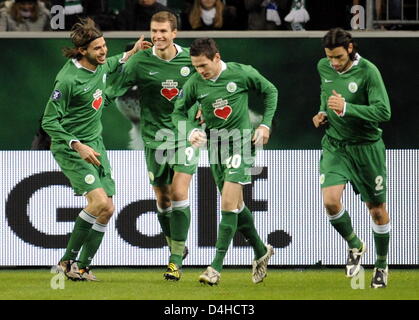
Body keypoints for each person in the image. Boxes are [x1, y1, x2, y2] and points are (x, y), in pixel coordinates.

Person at [42, 17, 151, 281]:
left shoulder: (100, 65)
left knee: (108, 208)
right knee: (99, 202)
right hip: (72, 148)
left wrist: (133, 51)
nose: (103, 51)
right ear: (82, 51)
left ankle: (82, 266)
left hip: (96, 145)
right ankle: (64, 262)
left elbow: (114, 63)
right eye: (97, 48)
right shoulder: (67, 80)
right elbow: (48, 121)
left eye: (104, 46)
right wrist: (77, 145)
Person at [172, 38, 278, 285]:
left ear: (216, 58)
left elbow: (270, 91)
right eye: (196, 66)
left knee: (228, 204)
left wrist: (264, 124)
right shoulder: (195, 83)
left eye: (203, 65)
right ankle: (262, 251)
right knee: (236, 206)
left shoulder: (241, 73)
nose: (200, 71)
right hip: (215, 148)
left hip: (241, 144)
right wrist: (190, 131)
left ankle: (215, 267)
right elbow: (177, 112)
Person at [109, 11, 201, 281]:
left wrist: (204, 110)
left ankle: (175, 260)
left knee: (179, 192)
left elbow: (210, 82)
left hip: (183, 134)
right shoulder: (140, 62)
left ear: (175, 33)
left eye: (164, 31)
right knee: (163, 199)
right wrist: (127, 58)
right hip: (154, 138)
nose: (158, 36)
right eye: (154, 31)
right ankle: (174, 244)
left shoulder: (190, 59)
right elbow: (113, 89)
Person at [312, 28, 391, 288]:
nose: (334, 63)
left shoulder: (369, 71)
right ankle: (356, 246)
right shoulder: (323, 67)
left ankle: (381, 264)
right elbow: (327, 96)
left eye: (338, 57)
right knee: (330, 202)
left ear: (350, 48)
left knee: (377, 211)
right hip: (336, 145)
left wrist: (347, 108)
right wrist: (323, 112)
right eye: (329, 57)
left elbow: (383, 111)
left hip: (367, 148)